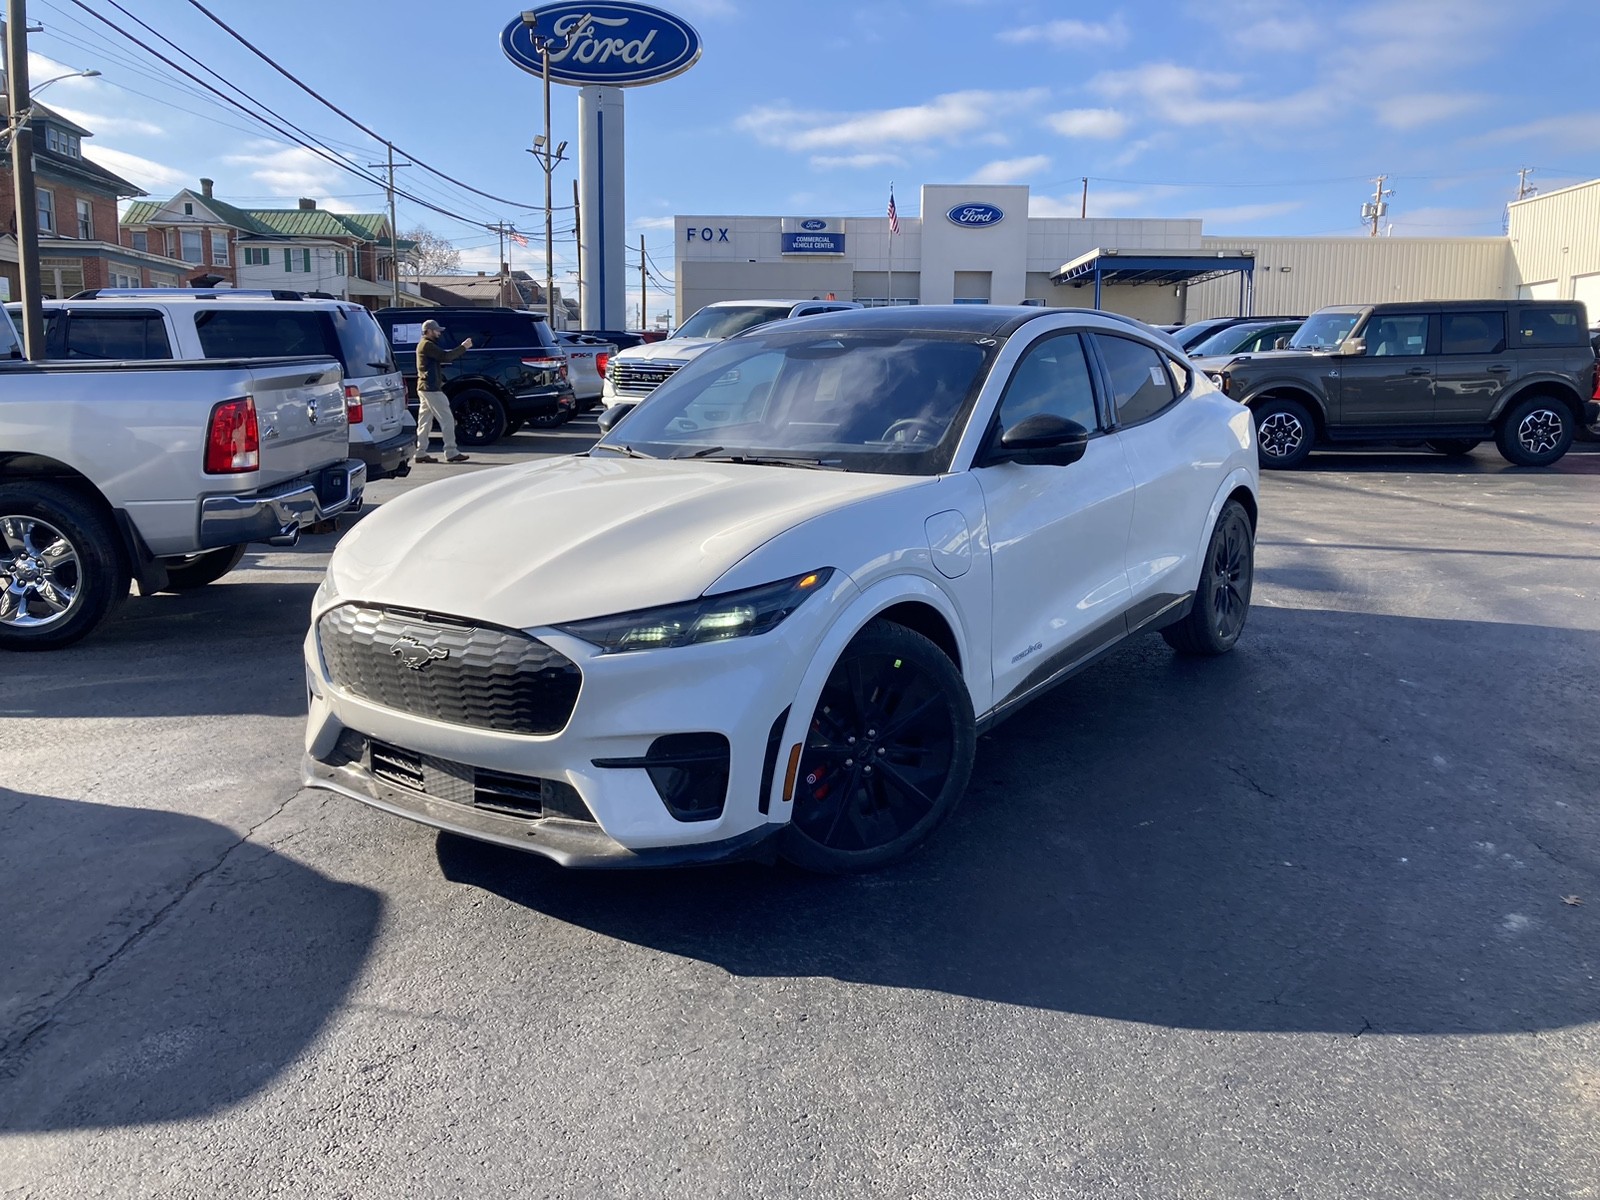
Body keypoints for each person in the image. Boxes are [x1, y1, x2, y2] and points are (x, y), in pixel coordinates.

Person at [414, 319, 473, 463]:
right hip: (431, 388)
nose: (439, 332)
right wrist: (463, 347)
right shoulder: (427, 345)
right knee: (447, 419)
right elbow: (446, 356)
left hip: (424, 387)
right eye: (437, 330)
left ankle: (420, 452)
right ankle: (451, 451)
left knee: (425, 421)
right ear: (428, 331)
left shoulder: (424, 345)